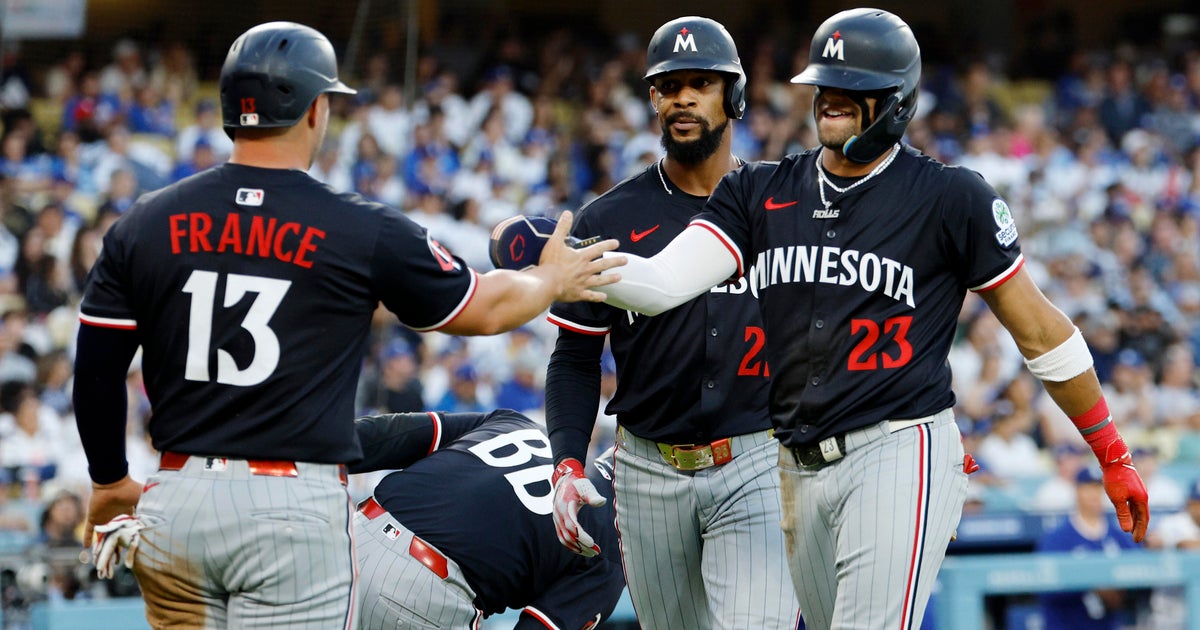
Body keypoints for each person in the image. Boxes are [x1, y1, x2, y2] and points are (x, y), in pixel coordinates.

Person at [584, 8, 1149, 629]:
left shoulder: (950, 197)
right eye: (826, 84)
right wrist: (565, 270)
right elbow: (662, 283)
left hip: (898, 446)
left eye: (855, 88)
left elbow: (1041, 332)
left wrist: (1111, 451)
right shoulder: (762, 191)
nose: (833, 99)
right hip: (797, 462)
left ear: (899, 102)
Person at [72, 22, 621, 630]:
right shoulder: (358, 226)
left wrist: (108, 481)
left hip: (177, 495)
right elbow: (485, 308)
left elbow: (95, 371)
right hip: (289, 505)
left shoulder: (143, 223)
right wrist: (551, 280)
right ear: (316, 111)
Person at [545, 16, 800, 629]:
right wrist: (568, 462)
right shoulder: (610, 214)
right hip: (647, 470)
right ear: (653, 99)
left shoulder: (783, 207)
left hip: (758, 459)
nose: (683, 97)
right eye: (669, 84)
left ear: (733, 96)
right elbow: (576, 357)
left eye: (701, 83)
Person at [350, 408, 624, 629]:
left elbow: (397, 434)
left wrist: (313, 450)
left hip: (353, 539)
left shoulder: (515, 422)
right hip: (419, 594)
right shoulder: (613, 541)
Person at [1036, 466, 1139, 629]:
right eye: (1088, 487)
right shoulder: (1057, 538)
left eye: (1099, 488)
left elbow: (1141, 571)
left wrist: (1120, 590)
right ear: (1077, 490)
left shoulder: (1118, 535)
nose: (1094, 494)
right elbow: (1044, 587)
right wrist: (1092, 585)